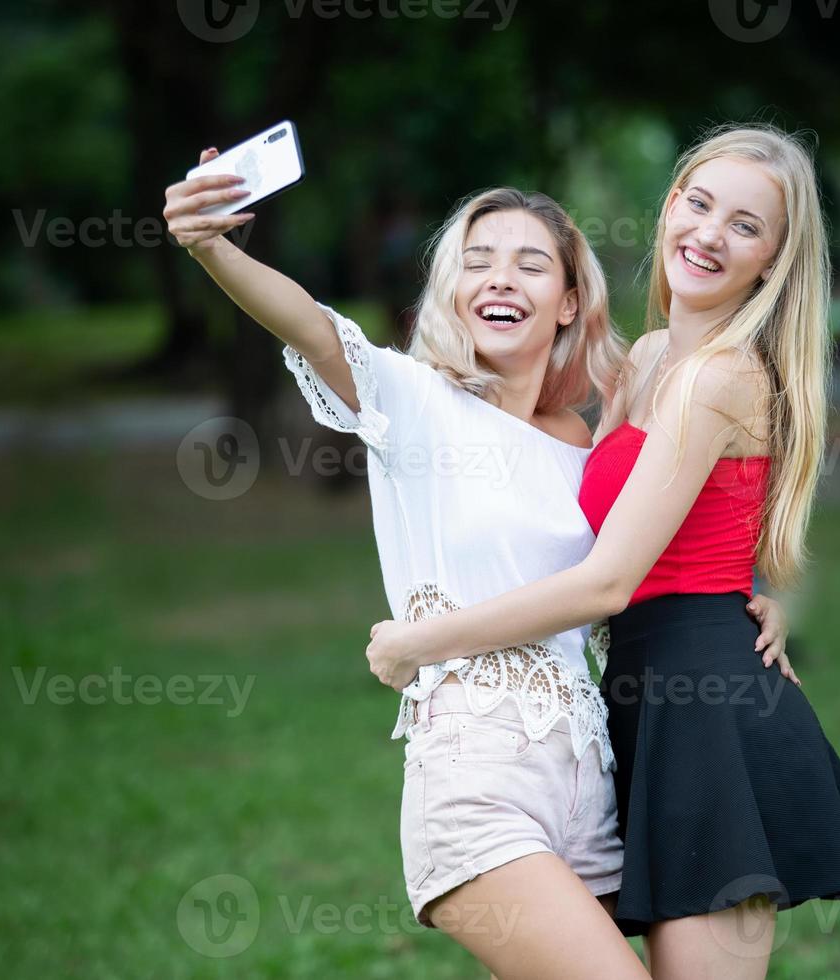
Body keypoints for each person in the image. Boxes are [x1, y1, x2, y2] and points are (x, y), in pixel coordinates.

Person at [162, 166, 786, 978]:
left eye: (530, 264)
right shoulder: (410, 400)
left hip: (591, 786)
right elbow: (310, 326)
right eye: (478, 259)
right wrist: (213, 249)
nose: (499, 277)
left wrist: (753, 600)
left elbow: (655, 543)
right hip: (474, 777)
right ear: (454, 291)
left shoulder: (583, 444)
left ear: (567, 301)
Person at [365, 125, 840, 979]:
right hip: (633, 709)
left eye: (747, 226)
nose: (711, 234)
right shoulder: (644, 363)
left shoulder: (722, 376)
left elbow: (609, 578)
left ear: (775, 262)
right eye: (700, 202)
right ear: (671, 203)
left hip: (709, 711)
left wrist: (422, 641)